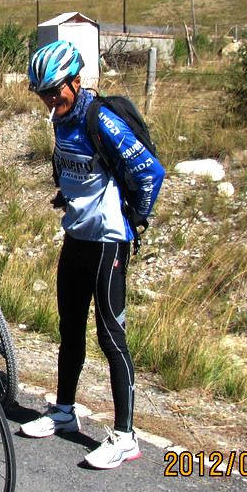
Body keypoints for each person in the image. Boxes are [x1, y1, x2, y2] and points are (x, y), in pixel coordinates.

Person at [19, 39, 164, 470]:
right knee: (70, 328)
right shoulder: (60, 119)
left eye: (55, 89)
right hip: (77, 236)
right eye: (42, 92)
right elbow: (73, 169)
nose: (49, 99)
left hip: (108, 240)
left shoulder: (100, 119)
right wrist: (67, 195)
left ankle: (125, 435)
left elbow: (150, 172)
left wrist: (135, 217)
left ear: (77, 81)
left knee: (110, 336)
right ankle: (64, 411)